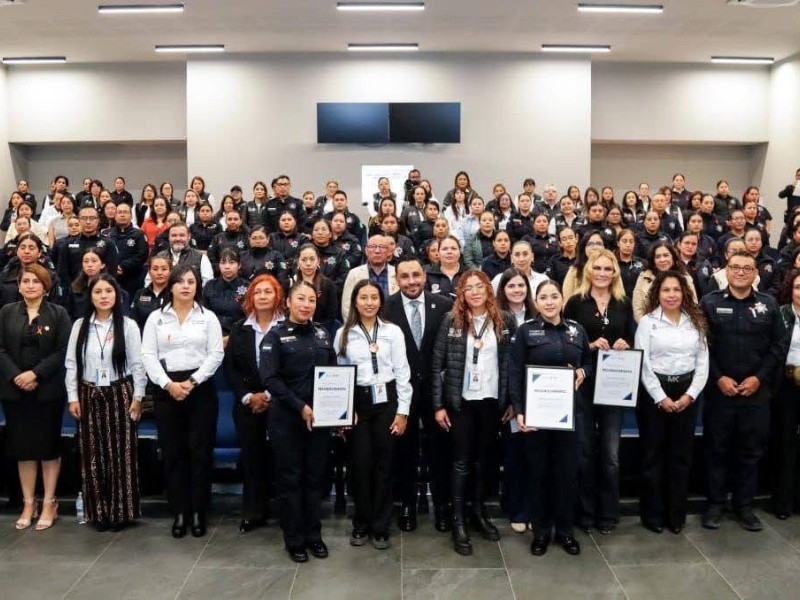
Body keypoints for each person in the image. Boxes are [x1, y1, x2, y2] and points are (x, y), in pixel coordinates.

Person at [700, 250, 788, 532]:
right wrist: (719, 378)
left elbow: (778, 346)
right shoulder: (709, 303)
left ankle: (744, 506)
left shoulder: (769, 304)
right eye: (735, 267)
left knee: (750, 452)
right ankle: (714, 505)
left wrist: (759, 379)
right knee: (717, 450)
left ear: (755, 273)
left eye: (746, 268)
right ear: (726, 271)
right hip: (720, 392)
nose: (740, 272)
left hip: (756, 393)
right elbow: (701, 347)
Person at [431, 269, 517, 556]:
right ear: (461, 293)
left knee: (482, 460)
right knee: (461, 461)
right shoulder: (451, 320)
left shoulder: (505, 320)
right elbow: (437, 364)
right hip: (461, 402)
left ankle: (478, 512)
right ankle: (458, 521)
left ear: (489, 290)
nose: (475, 292)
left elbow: (511, 363)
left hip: (491, 400)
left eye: (480, 287)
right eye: (469, 288)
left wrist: (512, 401)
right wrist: (438, 405)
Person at [141, 264, 225, 538]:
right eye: (180, 282)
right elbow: (148, 355)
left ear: (197, 286)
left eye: (191, 281)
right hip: (167, 390)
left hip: (200, 389)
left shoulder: (208, 318)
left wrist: (192, 381)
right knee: (173, 453)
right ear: (171, 286)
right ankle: (179, 512)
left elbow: (215, 354)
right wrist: (168, 384)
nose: (186, 286)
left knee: (200, 452)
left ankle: (199, 511)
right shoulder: (156, 318)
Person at [509, 279, 591, 556]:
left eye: (554, 296)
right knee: (538, 473)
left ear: (562, 299)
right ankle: (541, 532)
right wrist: (519, 410)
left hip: (569, 417)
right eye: (543, 297)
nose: (549, 302)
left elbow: (588, 363)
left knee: (567, 475)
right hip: (536, 417)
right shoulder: (526, 331)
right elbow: (515, 373)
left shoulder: (577, 330)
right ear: (536, 301)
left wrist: (583, 372)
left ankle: (565, 532)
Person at [260, 280, 337, 563]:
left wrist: (340, 408)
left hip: (319, 418)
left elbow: (333, 373)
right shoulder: (275, 337)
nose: (306, 305)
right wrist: (300, 406)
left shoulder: (322, 334)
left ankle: (314, 535)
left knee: (315, 478)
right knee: (290, 479)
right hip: (286, 418)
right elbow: (270, 379)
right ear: (288, 303)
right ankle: (294, 539)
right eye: (301, 299)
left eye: (311, 300)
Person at [65, 274, 147, 532]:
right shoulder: (80, 326)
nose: (103, 296)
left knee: (121, 454)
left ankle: (120, 511)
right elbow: (71, 364)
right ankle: (97, 512)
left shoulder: (128, 326)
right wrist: (73, 397)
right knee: (92, 454)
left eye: (108, 291)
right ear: (90, 296)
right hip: (88, 393)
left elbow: (138, 364)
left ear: (117, 295)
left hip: (120, 391)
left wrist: (138, 397)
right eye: (98, 291)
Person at [335, 280, 412, 549]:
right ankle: (361, 523)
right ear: (355, 302)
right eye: (363, 298)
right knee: (360, 465)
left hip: (387, 401)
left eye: (374, 297)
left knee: (384, 465)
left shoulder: (393, 331)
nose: (369, 303)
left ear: (381, 301)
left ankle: (381, 526)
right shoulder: (344, 333)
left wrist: (403, 412)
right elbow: (339, 375)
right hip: (358, 403)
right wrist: (345, 411)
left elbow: (402, 373)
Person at [564, 250, 634, 535]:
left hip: (614, 386)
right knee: (583, 452)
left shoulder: (623, 303)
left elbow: (631, 336)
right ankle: (585, 513)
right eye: (598, 268)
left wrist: (625, 343)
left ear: (615, 272)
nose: (603, 273)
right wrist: (590, 345)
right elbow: (566, 341)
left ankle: (608, 514)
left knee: (610, 455)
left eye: (608, 268)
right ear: (589, 271)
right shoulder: (575, 303)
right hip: (584, 383)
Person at [635, 271, 709, 534]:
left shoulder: (696, 321)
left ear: (684, 292)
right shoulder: (647, 323)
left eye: (676, 290)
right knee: (652, 455)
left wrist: (691, 394)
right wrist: (661, 397)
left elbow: (703, 362)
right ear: (657, 293)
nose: (671, 295)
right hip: (655, 392)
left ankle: (676, 515)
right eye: (666, 290)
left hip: (687, 392)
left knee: (681, 456)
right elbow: (643, 364)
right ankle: (653, 515)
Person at [385, 258, 454, 532]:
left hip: (437, 393)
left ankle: (442, 506)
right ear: (397, 280)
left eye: (416, 275)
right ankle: (407, 505)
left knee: (440, 451)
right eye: (405, 276)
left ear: (424, 277)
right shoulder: (386, 308)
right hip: (402, 393)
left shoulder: (444, 305)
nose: (411, 281)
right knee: (405, 451)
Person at [0, 264, 71, 531]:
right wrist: (17, 375)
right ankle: (29, 503)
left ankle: (50, 502)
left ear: (45, 285)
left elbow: (62, 351)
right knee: (23, 449)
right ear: (18, 286)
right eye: (25, 281)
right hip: (15, 390)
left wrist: (35, 374)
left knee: (47, 448)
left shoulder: (58, 313)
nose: (30, 285)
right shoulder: (6, 312)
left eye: (36, 281)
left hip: (47, 391)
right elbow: (1, 349)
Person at [224, 274, 285, 533]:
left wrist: (269, 395)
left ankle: (286, 510)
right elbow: (231, 368)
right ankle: (253, 510)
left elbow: (292, 367)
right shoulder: (240, 328)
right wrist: (249, 396)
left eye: (267, 291)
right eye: (257, 292)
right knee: (252, 457)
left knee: (282, 457)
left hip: (281, 402)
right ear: (250, 297)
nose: (262, 296)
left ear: (277, 296)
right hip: (248, 403)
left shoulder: (287, 327)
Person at [495, 268, 536, 533]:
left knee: (535, 456)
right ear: (503, 290)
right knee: (514, 457)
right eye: (511, 286)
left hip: (538, 398)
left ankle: (533, 509)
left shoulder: (538, 315)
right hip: (510, 400)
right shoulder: (496, 317)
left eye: (521, 286)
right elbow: (503, 363)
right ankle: (516, 509)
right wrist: (512, 401)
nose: (517, 290)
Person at [775, 270, 800, 520]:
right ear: (790, 290)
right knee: (785, 444)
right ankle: (783, 501)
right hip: (786, 386)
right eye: (798, 287)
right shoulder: (781, 314)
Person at [632, 242, 697, 321]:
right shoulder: (644, 277)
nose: (662, 259)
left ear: (673, 258)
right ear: (653, 260)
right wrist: (648, 325)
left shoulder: (685, 278)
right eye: (658, 257)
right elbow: (637, 308)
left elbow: (693, 306)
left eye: (666, 255)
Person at [341, 235, 398, 321]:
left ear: (388, 251)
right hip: (361, 325)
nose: (377, 251)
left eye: (382, 247)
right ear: (366, 251)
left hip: (393, 325)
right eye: (373, 246)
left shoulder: (397, 273)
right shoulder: (354, 274)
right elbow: (347, 306)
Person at [131, 254, 171, 331]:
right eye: (155, 269)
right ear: (149, 271)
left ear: (170, 271)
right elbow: (133, 321)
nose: (159, 273)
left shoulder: (175, 294)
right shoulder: (140, 293)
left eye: (164, 269)